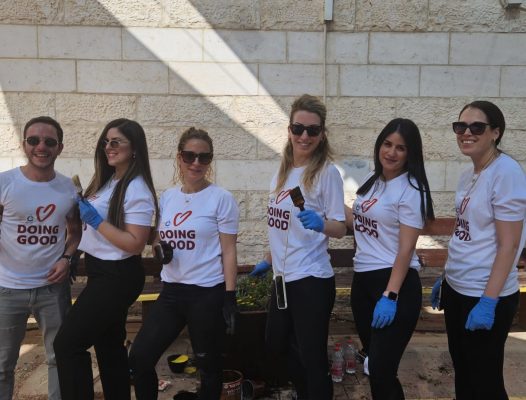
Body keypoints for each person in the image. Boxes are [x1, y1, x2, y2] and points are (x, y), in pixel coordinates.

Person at [128, 127, 239, 400]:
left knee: (208, 366)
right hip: (172, 292)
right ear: (179, 157)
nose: (196, 163)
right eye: (190, 156)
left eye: (204, 157)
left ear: (210, 160)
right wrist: (159, 250)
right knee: (140, 357)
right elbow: (157, 238)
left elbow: (228, 250)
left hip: (207, 293)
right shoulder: (168, 197)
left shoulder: (221, 198)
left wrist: (229, 296)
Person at [53, 118, 158, 400]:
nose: (108, 147)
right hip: (101, 271)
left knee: (67, 345)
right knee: (109, 348)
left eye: (116, 142)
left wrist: (97, 221)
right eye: (105, 142)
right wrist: (74, 251)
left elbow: (135, 244)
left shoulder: (136, 188)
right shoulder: (110, 180)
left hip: (117, 276)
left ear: (134, 148)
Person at [250, 94, 346, 400]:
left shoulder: (326, 173)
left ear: (322, 134)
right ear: (289, 130)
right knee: (277, 343)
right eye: (298, 128)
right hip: (282, 278)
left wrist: (321, 223)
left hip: (311, 279)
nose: (305, 136)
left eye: (312, 130)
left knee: (311, 357)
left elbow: (341, 227)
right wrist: (269, 259)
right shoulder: (282, 173)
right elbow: (281, 228)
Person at [430, 101, 526, 400]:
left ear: (495, 132)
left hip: (484, 293)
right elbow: (466, 233)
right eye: (460, 126)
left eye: (477, 127)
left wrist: (488, 301)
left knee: (485, 382)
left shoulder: (506, 172)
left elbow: (509, 244)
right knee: (464, 372)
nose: (466, 133)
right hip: (459, 288)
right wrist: (446, 276)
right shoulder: (469, 173)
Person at [345, 118, 435, 399]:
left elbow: (406, 249)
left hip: (394, 285)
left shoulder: (411, 189)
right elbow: (359, 222)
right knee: (373, 365)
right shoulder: (373, 180)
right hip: (363, 281)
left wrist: (390, 295)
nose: (391, 152)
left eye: (401, 148)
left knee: (382, 370)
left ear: (411, 154)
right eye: (387, 144)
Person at [0, 116, 82, 400]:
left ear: (60, 147)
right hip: (8, 289)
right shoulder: (4, 183)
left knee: (58, 359)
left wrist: (67, 258)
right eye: (33, 140)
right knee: (2, 365)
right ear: (24, 144)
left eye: (49, 141)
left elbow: (75, 232)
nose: (41, 147)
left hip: (52, 289)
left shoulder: (68, 189)